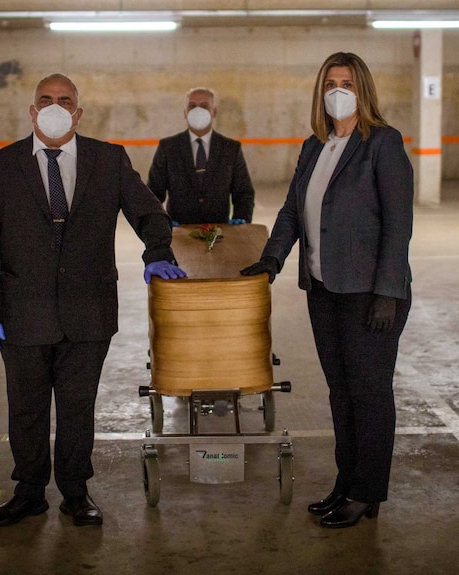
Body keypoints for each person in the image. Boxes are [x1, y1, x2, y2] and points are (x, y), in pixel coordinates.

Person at [0, 73, 186, 528]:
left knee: (77, 407)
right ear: (31, 111)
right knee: (25, 408)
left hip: (88, 312)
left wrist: (157, 252)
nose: (54, 105)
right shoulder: (0, 165)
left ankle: (75, 491)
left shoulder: (108, 160)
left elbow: (148, 211)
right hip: (21, 313)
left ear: (78, 112)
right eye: (45, 99)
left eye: (64, 100)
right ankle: (28, 492)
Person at [241, 52, 413, 528]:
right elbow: (294, 212)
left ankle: (367, 492)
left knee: (370, 393)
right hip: (324, 289)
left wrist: (387, 292)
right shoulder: (314, 146)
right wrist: (273, 258)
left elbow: (399, 225)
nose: (339, 90)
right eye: (332, 82)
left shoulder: (383, 143)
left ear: (364, 91)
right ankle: (346, 484)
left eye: (348, 83)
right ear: (321, 90)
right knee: (342, 392)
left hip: (369, 294)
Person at [147, 87, 255, 225]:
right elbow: (153, 193)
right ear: (185, 113)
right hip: (179, 232)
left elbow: (244, 192)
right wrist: (159, 221)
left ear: (214, 112)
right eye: (192, 106)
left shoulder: (230, 149)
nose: (198, 111)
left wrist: (242, 219)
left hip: (219, 232)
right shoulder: (168, 148)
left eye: (204, 106)